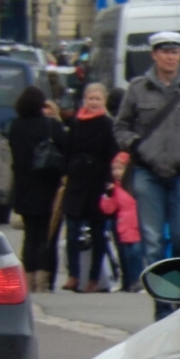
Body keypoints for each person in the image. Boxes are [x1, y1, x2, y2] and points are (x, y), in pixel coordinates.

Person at [113, 30, 180, 318]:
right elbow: (121, 126)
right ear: (154, 55)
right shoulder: (137, 89)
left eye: (174, 52)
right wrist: (134, 145)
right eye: (164, 52)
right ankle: (162, 305)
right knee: (153, 242)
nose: (170, 57)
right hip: (148, 173)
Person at [8, 85, 68, 292]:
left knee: (30, 235)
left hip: (24, 187)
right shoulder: (50, 125)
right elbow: (65, 151)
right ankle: (44, 279)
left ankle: (29, 277)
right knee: (47, 235)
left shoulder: (15, 127)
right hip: (48, 187)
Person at [60, 83, 118, 292]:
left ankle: (94, 277)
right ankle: (73, 274)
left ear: (103, 102)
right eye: (90, 98)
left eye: (97, 99)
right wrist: (66, 172)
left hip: (97, 181)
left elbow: (113, 153)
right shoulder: (76, 122)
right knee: (72, 230)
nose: (93, 103)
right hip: (76, 180)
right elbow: (67, 149)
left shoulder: (107, 124)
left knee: (97, 231)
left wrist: (110, 180)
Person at [99, 154, 144, 292]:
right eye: (114, 169)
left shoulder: (137, 185)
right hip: (123, 227)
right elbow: (109, 209)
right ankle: (129, 281)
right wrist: (107, 195)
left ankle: (138, 281)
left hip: (137, 226)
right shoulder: (115, 189)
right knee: (126, 256)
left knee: (137, 255)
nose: (116, 172)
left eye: (120, 168)